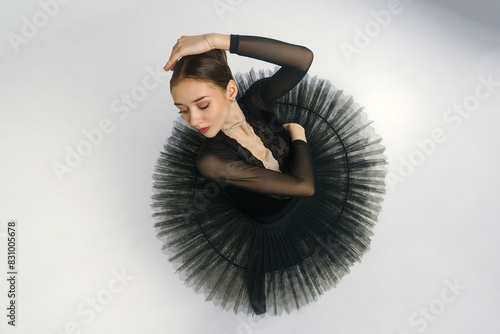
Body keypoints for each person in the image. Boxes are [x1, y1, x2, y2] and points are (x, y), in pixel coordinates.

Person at [152, 33, 387, 315]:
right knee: (262, 252)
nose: (195, 120)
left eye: (202, 105)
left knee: (315, 231)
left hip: (303, 184)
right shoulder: (212, 160)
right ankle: (255, 277)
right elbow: (304, 186)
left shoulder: (257, 101)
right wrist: (298, 137)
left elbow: (302, 59)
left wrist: (215, 39)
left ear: (230, 90)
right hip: (268, 216)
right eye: (183, 111)